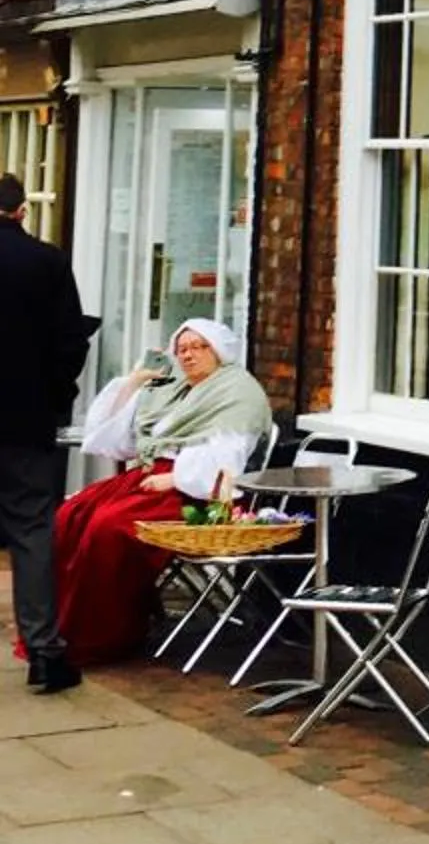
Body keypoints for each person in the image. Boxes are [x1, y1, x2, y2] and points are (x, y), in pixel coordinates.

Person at [55, 319, 273, 668]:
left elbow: (228, 462)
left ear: (217, 351)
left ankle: (106, 635)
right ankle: (61, 628)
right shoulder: (173, 389)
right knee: (70, 514)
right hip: (147, 476)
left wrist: (175, 478)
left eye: (197, 347)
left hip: (192, 491)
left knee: (108, 528)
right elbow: (117, 441)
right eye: (182, 349)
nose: (188, 355)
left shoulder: (236, 393)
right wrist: (134, 382)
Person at [0, 172, 92, 693]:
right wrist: (54, 396)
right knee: (32, 533)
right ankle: (44, 654)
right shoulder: (47, 261)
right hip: (25, 419)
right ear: (22, 212)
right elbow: (71, 342)